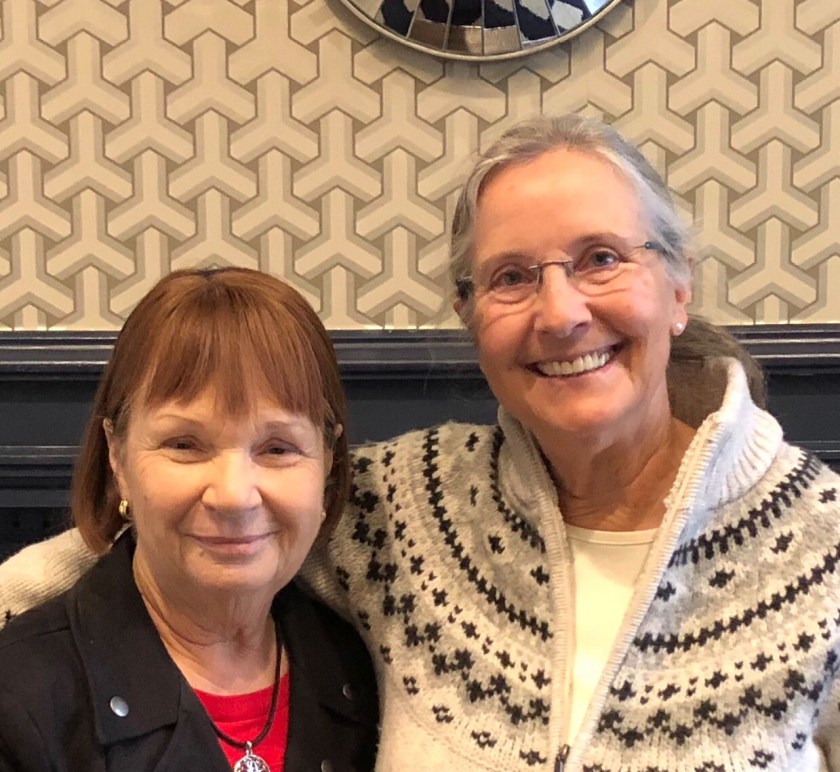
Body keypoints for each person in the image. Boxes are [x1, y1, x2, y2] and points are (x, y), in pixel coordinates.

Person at [2, 114, 839, 771]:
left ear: (679, 286)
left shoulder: (823, 546)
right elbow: (188, 537)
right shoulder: (414, 509)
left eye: (601, 258)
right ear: (471, 316)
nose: (560, 312)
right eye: (512, 277)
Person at [0, 268, 379, 771]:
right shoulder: (19, 701)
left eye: (278, 448)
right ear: (117, 457)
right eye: (184, 445)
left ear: (327, 464)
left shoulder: (367, 671)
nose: (234, 495)